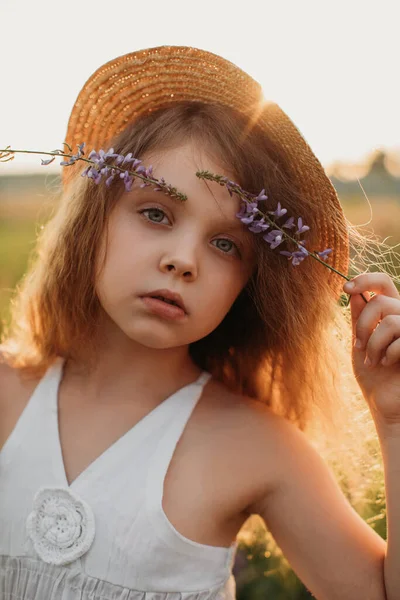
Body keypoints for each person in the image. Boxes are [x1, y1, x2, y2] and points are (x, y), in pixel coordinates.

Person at [0, 45, 399, 600]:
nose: (183, 259)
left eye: (225, 244)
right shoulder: (7, 394)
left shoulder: (259, 447)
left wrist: (395, 422)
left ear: (250, 285)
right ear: (94, 218)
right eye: (156, 213)